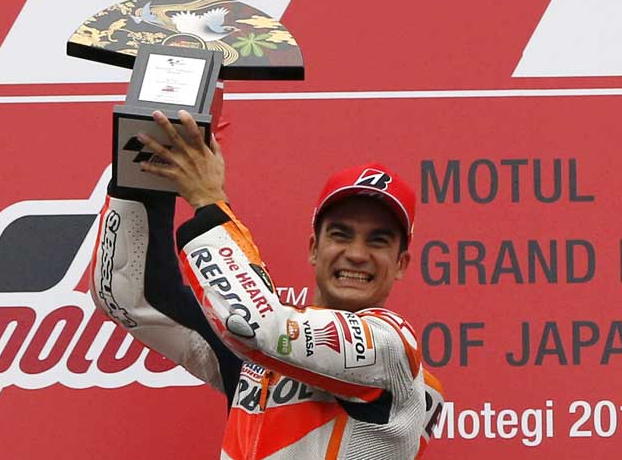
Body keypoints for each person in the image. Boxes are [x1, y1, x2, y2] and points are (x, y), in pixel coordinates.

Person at [91, 109, 445, 459]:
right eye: (341, 235)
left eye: (378, 241)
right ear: (313, 248)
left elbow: (257, 328)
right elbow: (128, 294)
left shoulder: (392, 348)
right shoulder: (261, 359)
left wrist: (209, 201)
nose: (356, 254)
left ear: (401, 264)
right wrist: (146, 170)